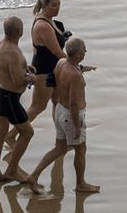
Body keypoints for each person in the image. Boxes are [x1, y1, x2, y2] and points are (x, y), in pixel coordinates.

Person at [24, 36, 99, 195]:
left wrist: (83, 68)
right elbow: (74, 103)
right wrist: (76, 126)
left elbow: (55, 79)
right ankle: (81, 183)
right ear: (77, 54)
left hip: (59, 109)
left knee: (59, 148)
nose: (85, 52)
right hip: (72, 115)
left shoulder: (61, 63)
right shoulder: (76, 77)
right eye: (84, 50)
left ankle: (33, 176)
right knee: (81, 149)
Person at [0, 15, 36, 184]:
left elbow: (2, 69)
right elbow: (17, 81)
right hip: (9, 98)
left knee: (0, 134)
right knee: (27, 133)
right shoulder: (13, 52)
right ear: (19, 31)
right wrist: (31, 78)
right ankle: (12, 170)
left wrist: (24, 69)